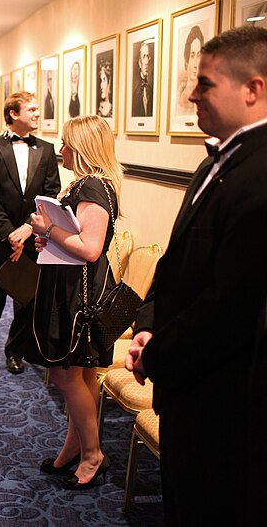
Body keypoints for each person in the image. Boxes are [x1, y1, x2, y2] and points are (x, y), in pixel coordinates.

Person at [126, 26, 267, 523]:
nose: (190, 95)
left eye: (204, 84)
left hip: (224, 397)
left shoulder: (260, 175)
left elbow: (229, 303)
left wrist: (156, 354)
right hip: (188, 380)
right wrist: (147, 321)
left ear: (253, 89)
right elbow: (178, 263)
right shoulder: (222, 159)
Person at [27, 115, 121, 490]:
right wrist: (48, 241)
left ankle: (93, 456)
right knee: (79, 376)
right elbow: (74, 238)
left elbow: (91, 249)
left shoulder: (94, 188)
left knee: (68, 376)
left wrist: (48, 230)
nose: (61, 149)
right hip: (71, 289)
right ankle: (74, 449)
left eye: (66, 143)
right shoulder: (85, 184)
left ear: (81, 148)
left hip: (81, 297)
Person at [0, 92, 60, 376]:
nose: (37, 114)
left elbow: (50, 193)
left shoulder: (45, 148)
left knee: (27, 295)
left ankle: (15, 351)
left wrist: (29, 229)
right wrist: (10, 235)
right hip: (1, 237)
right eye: (31, 109)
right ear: (13, 114)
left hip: (35, 234)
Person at [176, 25, 204, 116]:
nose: (196, 64)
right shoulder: (181, 99)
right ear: (186, 62)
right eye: (192, 56)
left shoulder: (203, 97)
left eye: (198, 55)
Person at [132, 41, 153, 117]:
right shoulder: (134, 93)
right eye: (144, 56)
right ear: (139, 63)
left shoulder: (151, 91)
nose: (146, 62)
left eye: (148, 56)